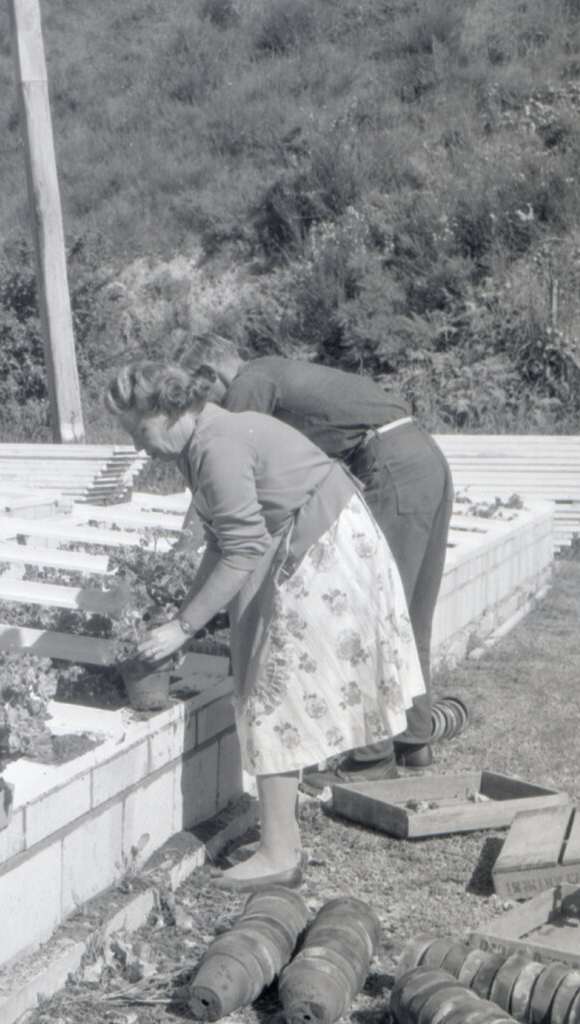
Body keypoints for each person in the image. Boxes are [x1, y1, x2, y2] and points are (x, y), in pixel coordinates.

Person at [107, 362, 425, 891]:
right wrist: (183, 617)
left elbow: (242, 547)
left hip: (323, 546)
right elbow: (220, 539)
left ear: (167, 411)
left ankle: (280, 853)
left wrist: (182, 629)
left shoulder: (216, 445)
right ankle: (281, 841)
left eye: (139, 432)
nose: (140, 448)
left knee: (270, 691)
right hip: (319, 532)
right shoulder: (205, 438)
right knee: (268, 685)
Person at [177, 334, 453, 777]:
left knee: (368, 614)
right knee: (407, 612)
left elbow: (220, 464)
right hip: (423, 455)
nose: (193, 407)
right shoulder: (271, 367)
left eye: (196, 392)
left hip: (391, 463)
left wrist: (185, 548)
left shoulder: (248, 383)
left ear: (211, 374)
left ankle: (372, 759)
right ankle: (414, 741)